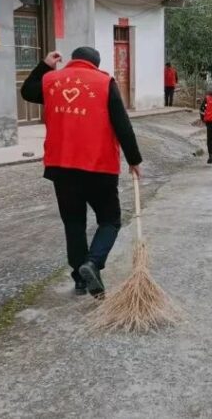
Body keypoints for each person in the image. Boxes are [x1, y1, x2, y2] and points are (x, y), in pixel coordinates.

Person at [20, 47, 143, 298]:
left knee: (74, 223)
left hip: (61, 167)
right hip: (98, 166)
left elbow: (27, 91)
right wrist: (134, 159)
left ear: (73, 60)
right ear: (95, 64)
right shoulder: (104, 82)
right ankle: (93, 263)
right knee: (109, 219)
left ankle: (79, 278)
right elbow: (122, 124)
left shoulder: (51, 81)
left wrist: (44, 65)